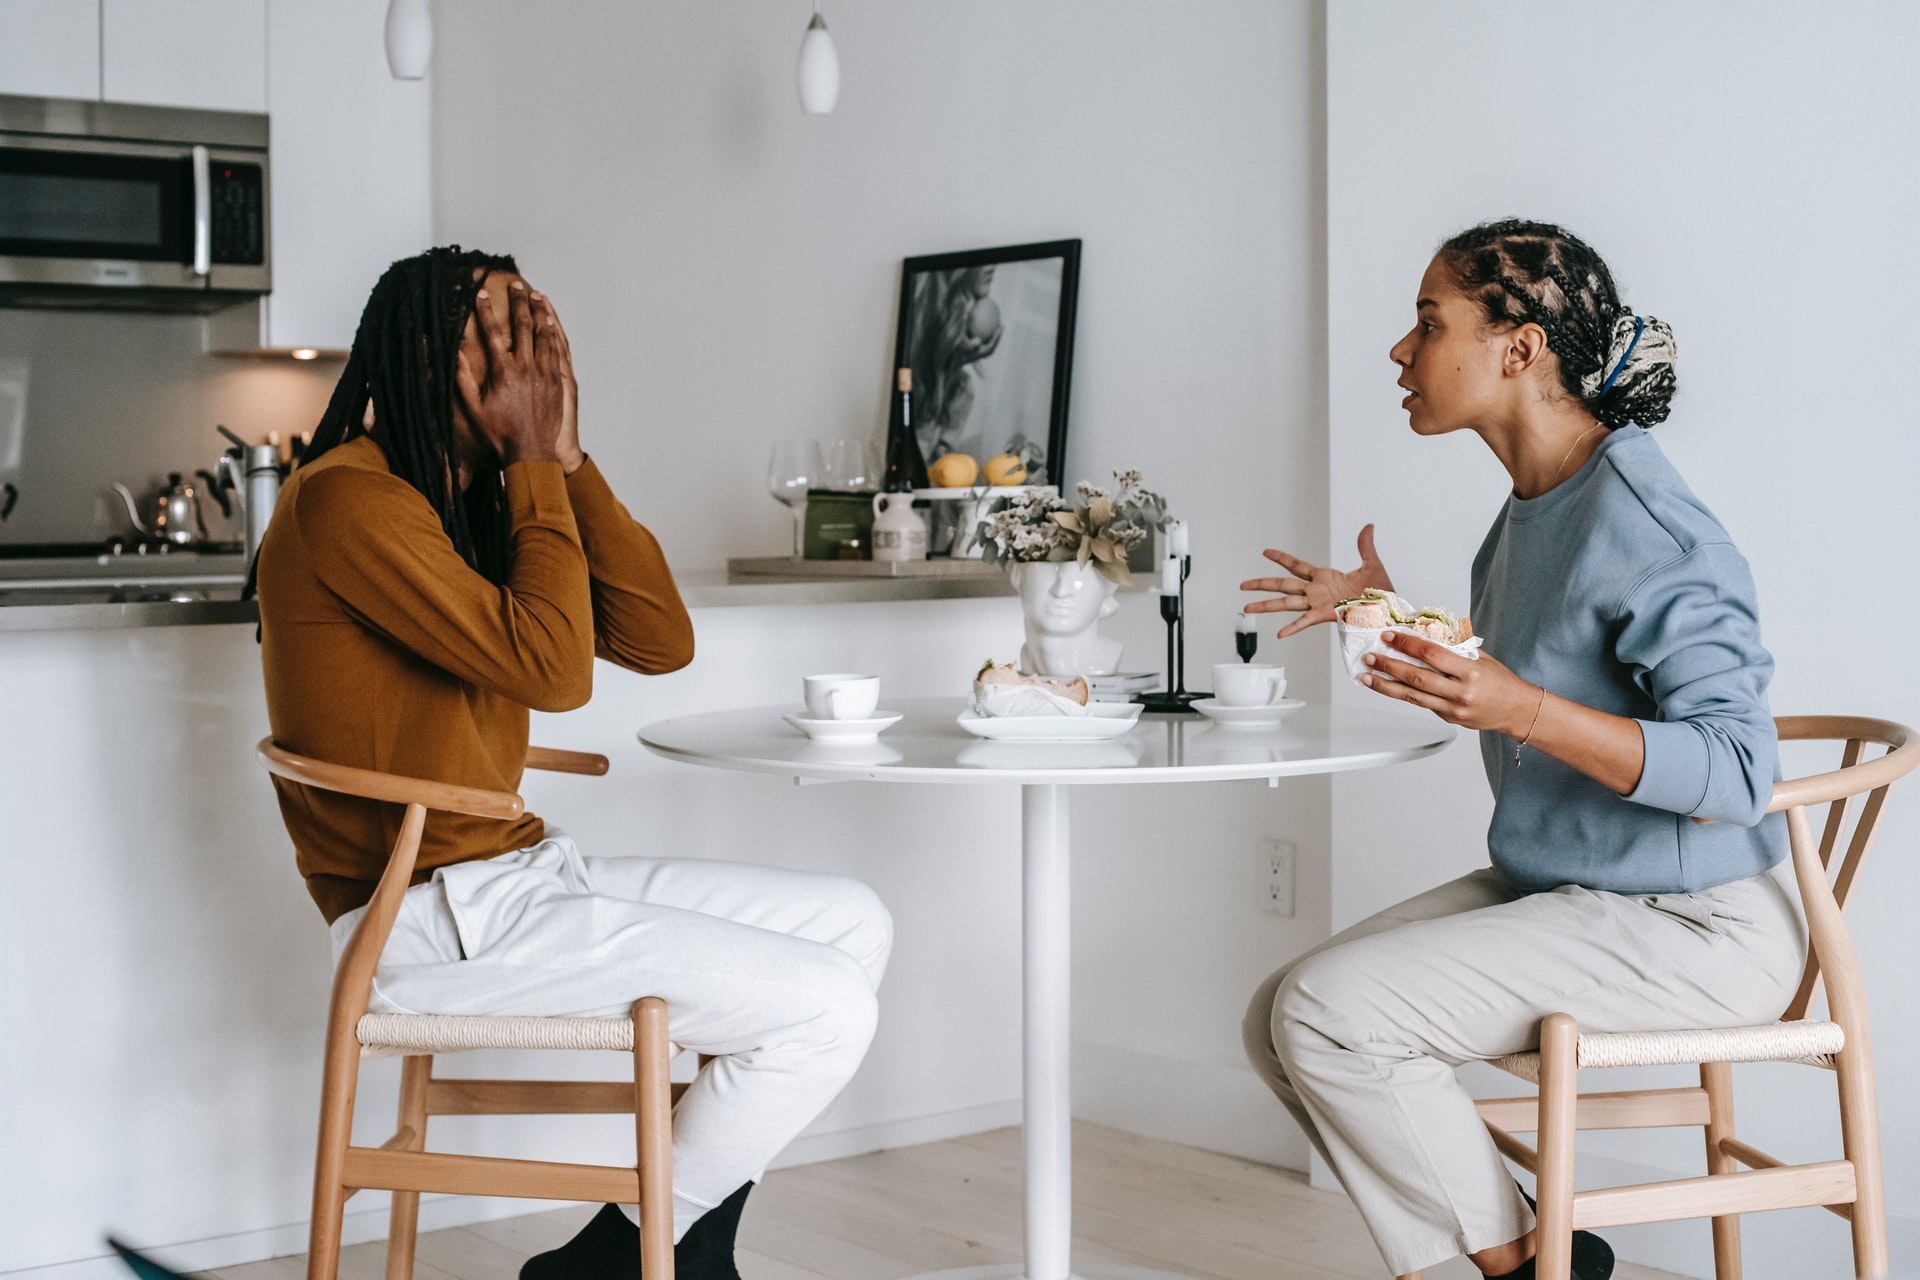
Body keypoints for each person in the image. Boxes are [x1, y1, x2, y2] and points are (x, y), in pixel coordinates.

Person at [255, 247, 892, 1280]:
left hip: (515, 880)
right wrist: (533, 466)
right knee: (830, 1008)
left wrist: (568, 455)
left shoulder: (463, 498)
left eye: (541, 330)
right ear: (429, 356)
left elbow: (658, 637)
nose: (537, 359)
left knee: (854, 921)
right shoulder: (348, 501)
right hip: (428, 920)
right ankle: (639, 1255)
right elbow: (556, 669)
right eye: (505, 333)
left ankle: (637, 1251)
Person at [1238, 221, 1804, 1280]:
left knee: (1328, 1013)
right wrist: (1387, 613)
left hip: (1693, 922)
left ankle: (1528, 1269)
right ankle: (1543, 1259)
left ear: (1520, 346)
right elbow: (1538, 669)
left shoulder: (1649, 519)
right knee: (1278, 1014)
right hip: (1581, 886)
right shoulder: (1536, 507)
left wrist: (1522, 707)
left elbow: (1737, 774)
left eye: (1426, 323)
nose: (1401, 355)